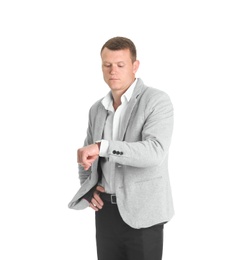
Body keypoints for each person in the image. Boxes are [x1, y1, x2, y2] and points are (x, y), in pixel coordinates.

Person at [68, 36, 174, 260]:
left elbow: (154, 152)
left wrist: (104, 147)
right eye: (107, 65)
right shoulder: (96, 109)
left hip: (144, 214)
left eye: (120, 65)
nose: (112, 71)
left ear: (135, 66)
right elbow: (88, 155)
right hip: (105, 212)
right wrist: (88, 187)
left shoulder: (156, 101)